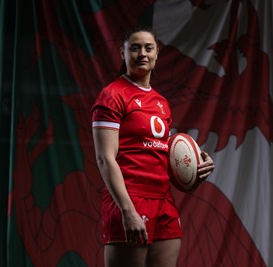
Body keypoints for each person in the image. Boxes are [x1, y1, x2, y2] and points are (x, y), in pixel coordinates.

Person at [91, 26, 215, 267]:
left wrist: (197, 166)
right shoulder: (112, 95)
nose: (142, 54)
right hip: (129, 198)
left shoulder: (161, 103)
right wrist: (127, 210)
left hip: (163, 200)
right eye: (134, 48)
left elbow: (160, 155)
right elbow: (105, 158)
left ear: (157, 53)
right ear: (123, 53)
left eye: (148, 48)